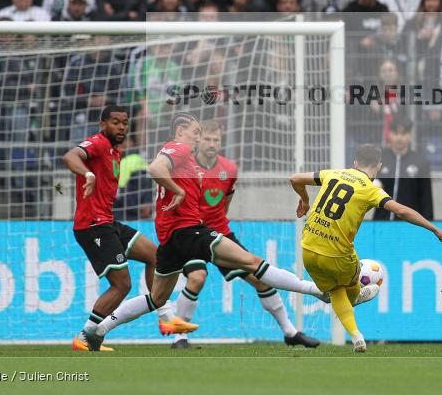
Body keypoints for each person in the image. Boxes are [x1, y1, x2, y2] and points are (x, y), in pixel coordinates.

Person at [84, 113, 328, 350]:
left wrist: (178, 191)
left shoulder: (188, 159)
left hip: (171, 239)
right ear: (181, 132)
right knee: (253, 263)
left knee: (156, 298)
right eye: (196, 133)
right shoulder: (178, 148)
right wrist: (178, 192)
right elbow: (155, 169)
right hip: (189, 232)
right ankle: (316, 290)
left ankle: (99, 330)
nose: (199, 139)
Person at [164, 120, 320, 349]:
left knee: (259, 277)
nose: (211, 143)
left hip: (219, 233)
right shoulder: (185, 167)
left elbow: (224, 204)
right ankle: (179, 337)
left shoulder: (229, 169)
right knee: (197, 278)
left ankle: (290, 332)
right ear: (198, 140)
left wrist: (217, 227)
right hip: (189, 234)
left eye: (216, 139)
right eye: (207, 139)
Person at [290, 143, 442, 352]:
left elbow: (294, 178)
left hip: (308, 250)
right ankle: (356, 295)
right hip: (337, 255)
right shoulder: (370, 190)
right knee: (347, 285)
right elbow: (402, 211)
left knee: (335, 290)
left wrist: (304, 199)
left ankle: (357, 336)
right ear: (378, 166)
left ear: (355, 162)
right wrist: (434, 229)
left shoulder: (332, 174)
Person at [62, 104, 166, 351]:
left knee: (155, 256)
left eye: (125, 122)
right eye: (115, 122)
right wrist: (88, 175)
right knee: (122, 284)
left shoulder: (115, 152)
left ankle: (165, 315)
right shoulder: (97, 143)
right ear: (103, 124)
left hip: (108, 222)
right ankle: (86, 335)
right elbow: (70, 156)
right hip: (92, 225)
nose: (121, 127)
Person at [372, 118, 434, 220]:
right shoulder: (380, 158)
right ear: (389, 134)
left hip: (409, 224)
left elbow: (426, 197)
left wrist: (429, 223)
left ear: (410, 135)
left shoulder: (421, 162)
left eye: (403, 134)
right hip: (381, 222)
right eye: (396, 133)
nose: (399, 138)